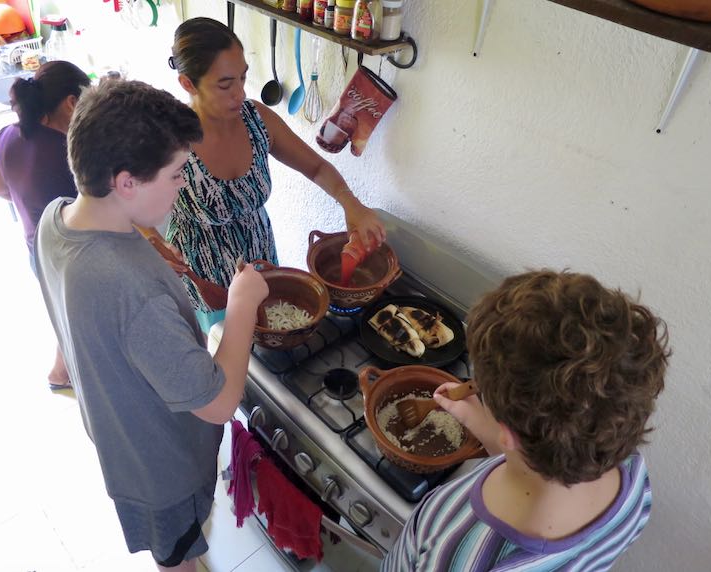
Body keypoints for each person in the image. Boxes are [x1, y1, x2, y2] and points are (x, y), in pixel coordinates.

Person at [34, 79, 268, 571]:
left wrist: (146, 240)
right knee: (178, 558)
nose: (184, 184)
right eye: (179, 173)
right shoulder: (132, 292)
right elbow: (220, 402)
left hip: (123, 434)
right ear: (126, 183)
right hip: (165, 470)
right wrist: (243, 302)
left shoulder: (55, 219)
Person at [382, 270, 670, 572]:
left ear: (509, 433)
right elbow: (536, 460)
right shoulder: (633, 479)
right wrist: (480, 421)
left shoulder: (453, 540)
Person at [166, 17, 387, 330]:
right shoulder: (168, 139)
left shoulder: (256, 119)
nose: (240, 94)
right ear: (188, 83)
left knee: (267, 354)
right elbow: (124, 203)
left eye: (242, 78)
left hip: (262, 265)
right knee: (221, 367)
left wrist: (350, 203)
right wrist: (151, 241)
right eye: (225, 84)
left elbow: (317, 166)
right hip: (204, 283)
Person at [0, 60, 90, 390]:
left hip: (36, 247)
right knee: (76, 319)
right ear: (72, 103)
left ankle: (61, 372)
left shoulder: (6, 136)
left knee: (64, 315)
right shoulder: (68, 151)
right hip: (68, 253)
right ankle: (67, 373)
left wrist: (27, 197)